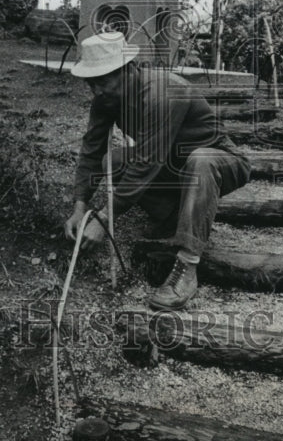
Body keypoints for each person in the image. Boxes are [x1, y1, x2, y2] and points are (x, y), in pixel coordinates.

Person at [64, 31, 250, 310]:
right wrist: (80, 207)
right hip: (173, 166)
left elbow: (147, 162)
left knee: (200, 160)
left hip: (220, 160)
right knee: (112, 162)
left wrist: (103, 219)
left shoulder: (161, 92)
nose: (97, 90)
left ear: (128, 70)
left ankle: (187, 267)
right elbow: (92, 151)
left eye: (102, 81)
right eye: (91, 83)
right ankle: (176, 216)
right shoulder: (106, 100)